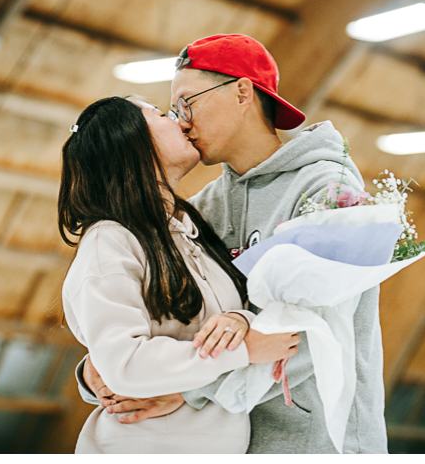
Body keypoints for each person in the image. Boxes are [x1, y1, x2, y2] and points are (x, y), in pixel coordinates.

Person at [77, 34, 389, 454]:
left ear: (242, 91)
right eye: (173, 110)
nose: (182, 119)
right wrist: (99, 367)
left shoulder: (327, 190)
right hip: (235, 443)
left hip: (318, 441)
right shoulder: (200, 214)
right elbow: (163, 323)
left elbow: (318, 331)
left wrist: (191, 391)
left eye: (188, 102)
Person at [59, 93, 299, 453]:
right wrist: (242, 351)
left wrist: (240, 320)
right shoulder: (110, 241)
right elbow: (124, 363)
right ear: (132, 144)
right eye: (162, 114)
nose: (182, 122)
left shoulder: (191, 233)